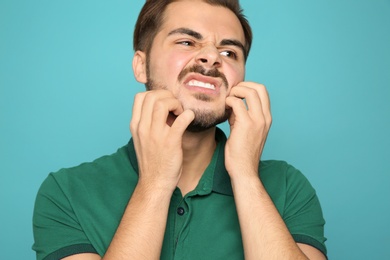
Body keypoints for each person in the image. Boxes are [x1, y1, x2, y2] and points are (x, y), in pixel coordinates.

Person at [33, 0, 327, 259]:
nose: (212, 57)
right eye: (187, 42)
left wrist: (246, 177)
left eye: (229, 52)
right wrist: (156, 183)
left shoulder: (288, 186)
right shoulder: (66, 192)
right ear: (141, 65)